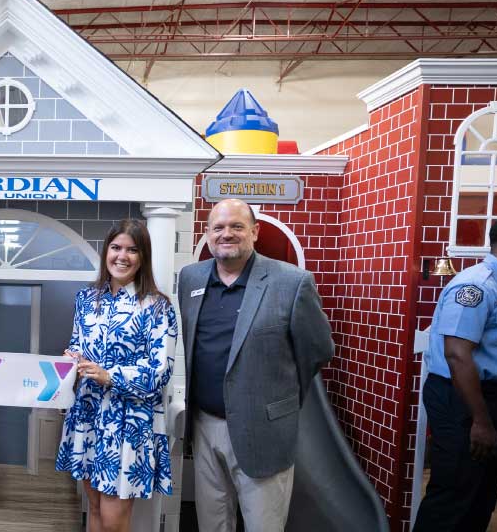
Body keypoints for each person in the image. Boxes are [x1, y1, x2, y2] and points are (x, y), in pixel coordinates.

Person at [176, 198, 333, 532]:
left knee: (264, 526)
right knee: (212, 523)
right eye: (218, 227)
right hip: (205, 426)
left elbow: (317, 350)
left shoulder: (291, 282)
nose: (226, 234)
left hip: (264, 429)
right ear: (207, 233)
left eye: (237, 226)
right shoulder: (190, 279)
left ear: (255, 232)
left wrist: (277, 397)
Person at [414, 213, 497, 532]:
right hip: (460, 398)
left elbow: (495, 359)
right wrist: (481, 420)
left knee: (482, 494)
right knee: (455, 493)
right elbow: (457, 355)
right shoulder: (476, 285)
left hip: (489, 396)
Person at [56, 219, 178, 532]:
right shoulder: (87, 299)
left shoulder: (157, 307)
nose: (122, 256)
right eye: (116, 247)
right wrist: (71, 359)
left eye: (132, 250)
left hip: (127, 420)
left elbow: (160, 371)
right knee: (93, 508)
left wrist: (109, 375)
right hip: (86, 412)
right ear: (106, 252)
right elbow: (76, 344)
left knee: (113, 520)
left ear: (143, 257)